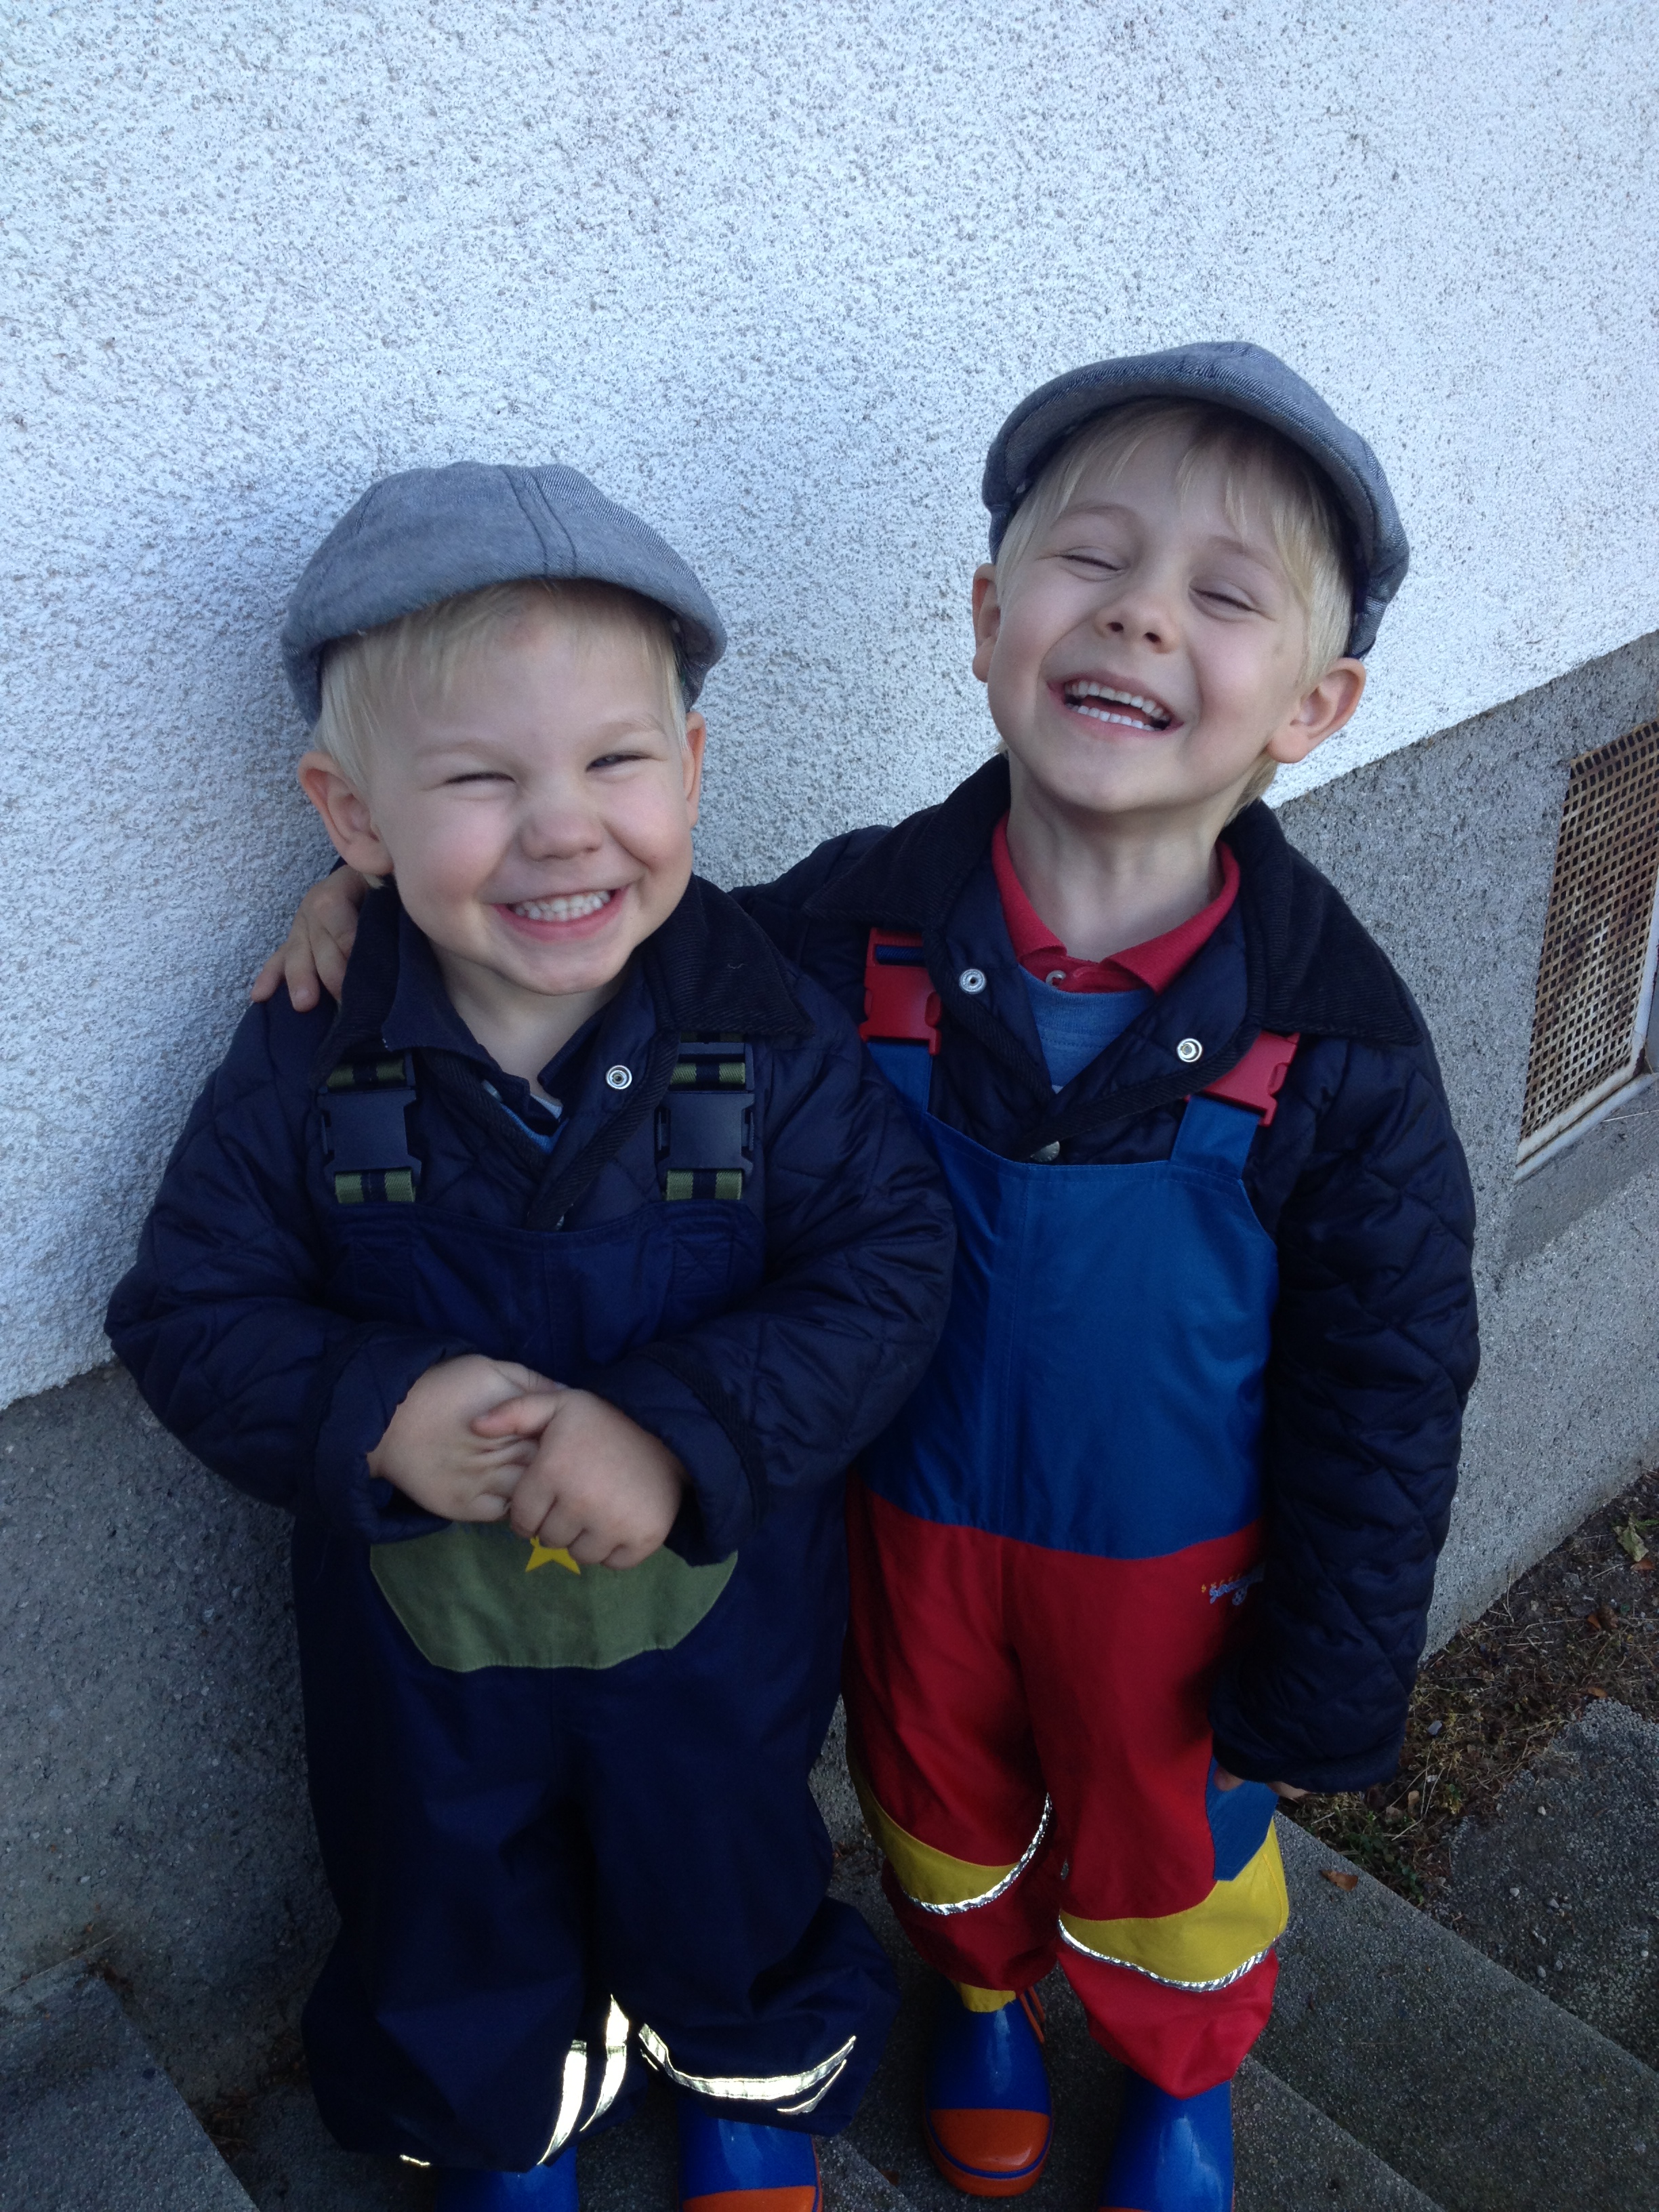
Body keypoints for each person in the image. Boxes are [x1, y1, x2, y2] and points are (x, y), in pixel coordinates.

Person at [262, 346, 1479, 2212]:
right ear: (991, 621)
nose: (1142, 616)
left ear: (1313, 706)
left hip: (1174, 1575)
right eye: (1093, 561)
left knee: (1175, 1856)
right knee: (934, 1803)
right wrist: (380, 916)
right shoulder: (837, 933)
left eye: (1224, 596)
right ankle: (981, 1997)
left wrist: (1330, 1673)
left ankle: (1178, 2074)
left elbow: (1387, 1384)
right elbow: (604, 942)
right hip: (896, 1535)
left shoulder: (1341, 1046)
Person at [107, 461, 958, 2212]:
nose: (564, 828)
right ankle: (503, 2131)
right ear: (353, 818)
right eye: (482, 781)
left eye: (615, 763)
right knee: (445, 1900)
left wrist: (685, 1429)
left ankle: (745, 2078)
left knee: (728, 1866)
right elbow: (187, 1308)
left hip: (717, 1651)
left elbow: (889, 1266)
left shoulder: (767, 1035)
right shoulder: (313, 1052)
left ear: (694, 773)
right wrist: (373, 1406)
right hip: (427, 1676)